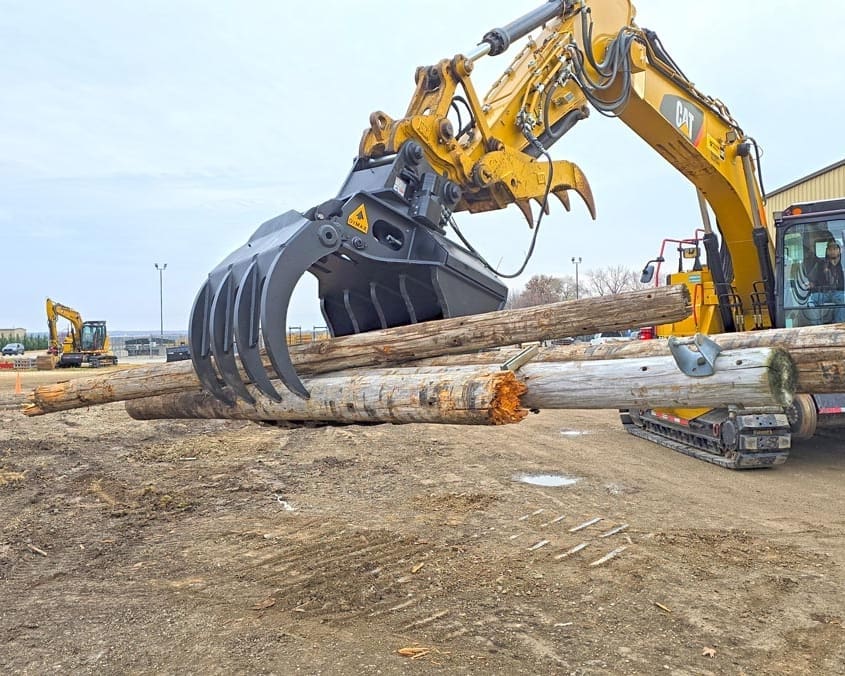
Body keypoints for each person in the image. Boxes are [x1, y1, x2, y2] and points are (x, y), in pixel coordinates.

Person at [808, 239, 845, 323]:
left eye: (835, 249)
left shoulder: (843, 263)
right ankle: (816, 326)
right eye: (830, 249)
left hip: (840, 293)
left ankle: (839, 324)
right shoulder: (820, 264)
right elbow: (813, 280)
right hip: (823, 293)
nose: (832, 251)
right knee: (810, 301)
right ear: (827, 251)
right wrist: (811, 284)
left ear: (840, 250)